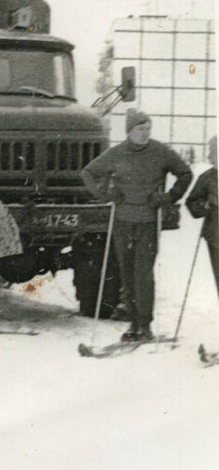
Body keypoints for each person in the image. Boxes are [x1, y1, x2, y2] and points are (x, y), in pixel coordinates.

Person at [82, 108, 193, 342]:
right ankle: (133, 324)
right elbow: (89, 173)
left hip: (148, 223)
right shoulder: (116, 154)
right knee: (127, 273)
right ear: (129, 131)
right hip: (122, 222)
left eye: (148, 128)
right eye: (140, 129)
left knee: (143, 273)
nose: (145, 133)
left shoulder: (161, 152)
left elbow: (185, 173)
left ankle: (144, 325)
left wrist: (168, 197)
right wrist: (106, 192)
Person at [185, 137, 218, 303]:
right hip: (216, 238)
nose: (210, 156)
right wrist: (202, 207)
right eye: (212, 151)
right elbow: (191, 201)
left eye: (213, 151)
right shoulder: (207, 177)